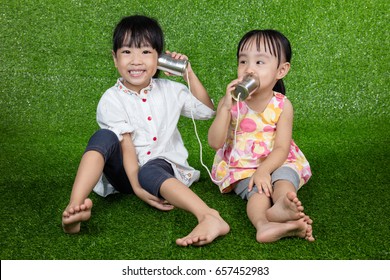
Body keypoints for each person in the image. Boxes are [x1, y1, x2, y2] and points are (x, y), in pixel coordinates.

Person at [62, 15, 229, 246]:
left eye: (145, 52)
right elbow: (126, 145)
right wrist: (138, 188)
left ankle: (208, 216)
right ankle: (75, 207)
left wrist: (187, 72)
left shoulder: (172, 90)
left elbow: (208, 111)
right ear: (115, 58)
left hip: (160, 170)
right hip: (124, 174)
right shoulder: (111, 98)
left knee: (150, 169)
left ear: (159, 58)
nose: (136, 61)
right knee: (103, 136)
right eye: (127, 52)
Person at [208, 29, 314, 243]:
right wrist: (225, 109)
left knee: (284, 179)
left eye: (259, 62)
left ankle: (282, 206)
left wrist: (265, 170)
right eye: (243, 61)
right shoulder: (229, 103)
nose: (249, 69)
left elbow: (282, 148)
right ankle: (263, 224)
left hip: (276, 159)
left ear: (281, 70)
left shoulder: (282, 105)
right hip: (242, 165)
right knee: (257, 191)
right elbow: (214, 142)